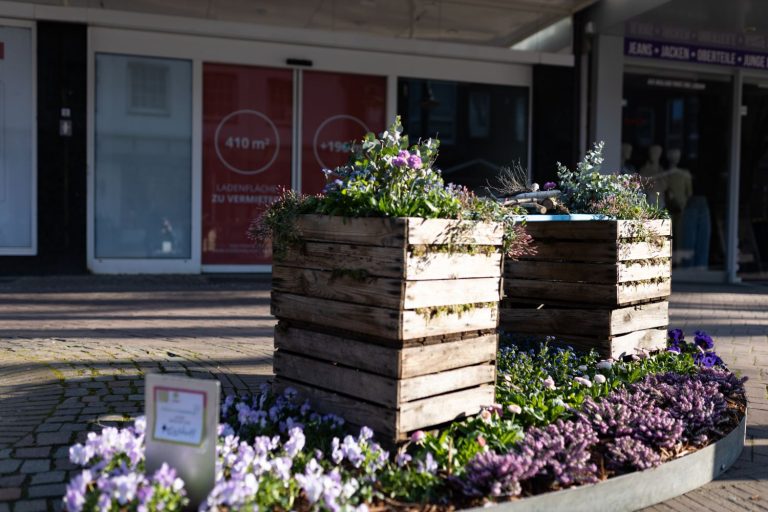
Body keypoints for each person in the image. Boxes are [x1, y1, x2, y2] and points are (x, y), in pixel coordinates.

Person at [640, 145, 668, 209]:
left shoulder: (661, 169)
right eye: (652, 152)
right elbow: (642, 184)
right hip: (650, 201)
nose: (653, 154)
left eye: (656, 152)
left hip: (660, 201)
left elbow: (665, 186)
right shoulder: (644, 169)